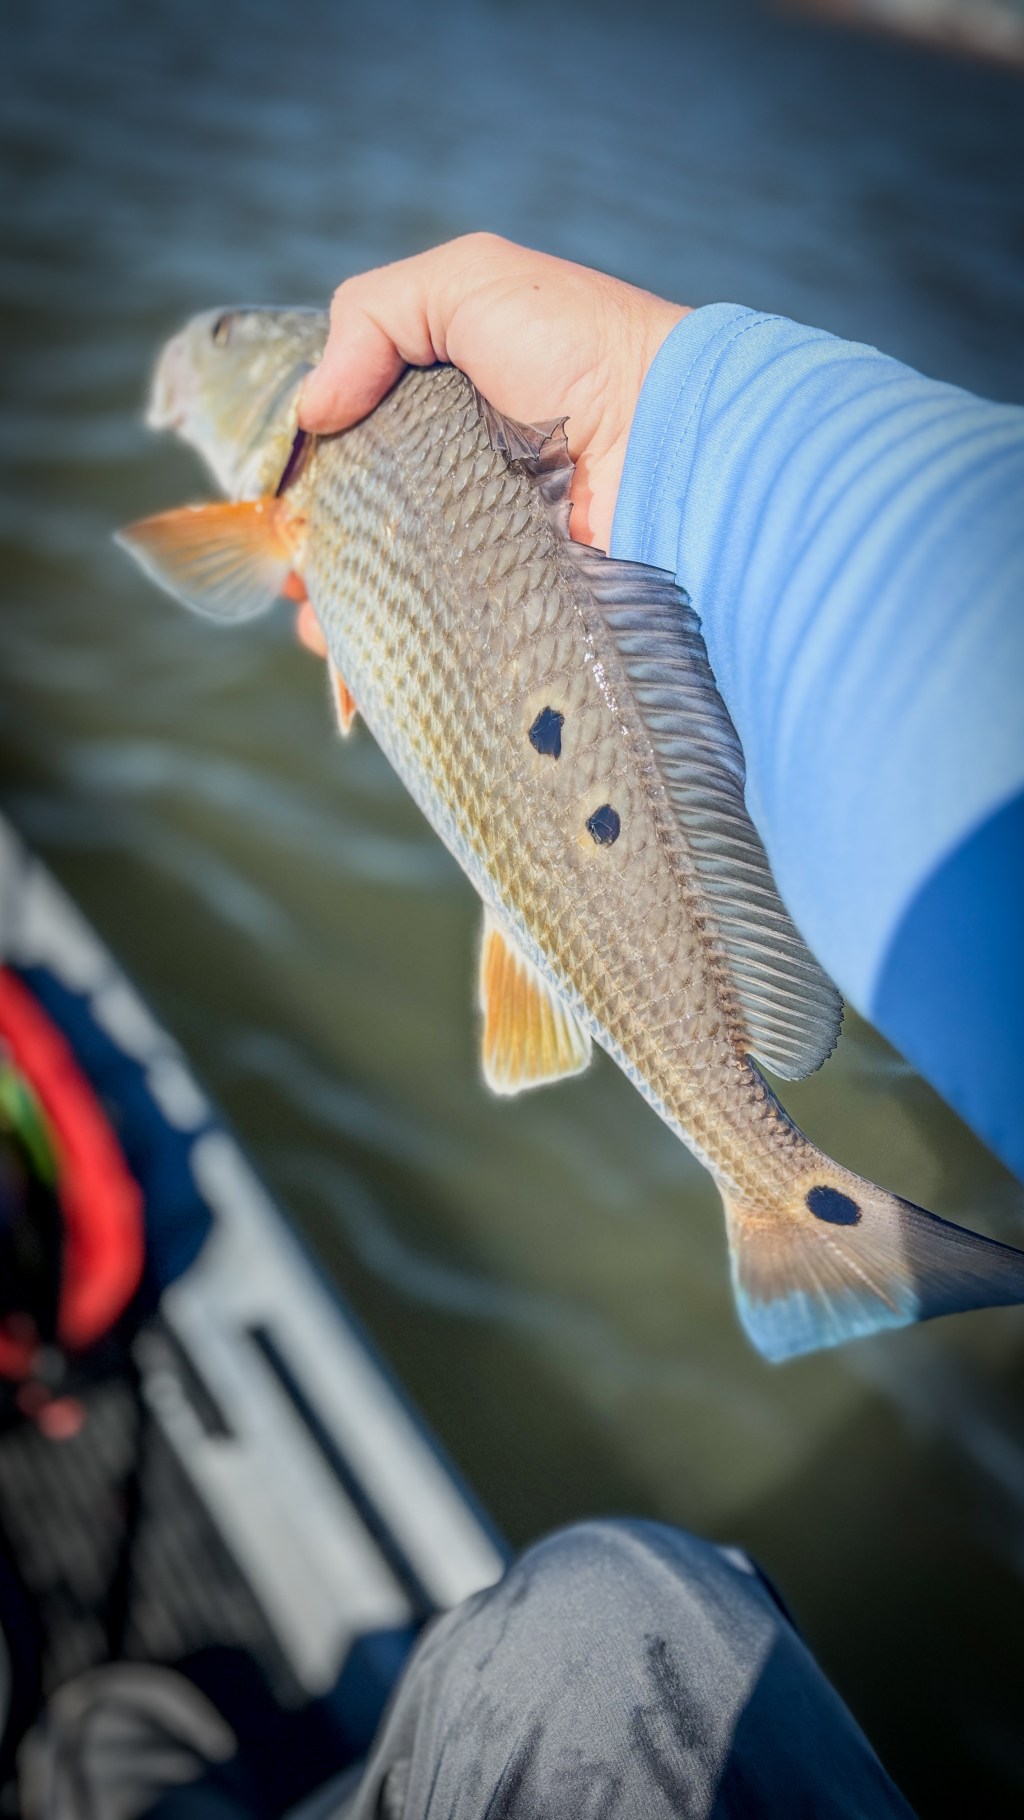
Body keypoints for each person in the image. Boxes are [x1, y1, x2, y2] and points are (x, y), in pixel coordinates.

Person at [24, 235, 1022, 1816]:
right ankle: (786, 1205)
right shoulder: (477, 421)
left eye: (219, 337)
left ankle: (785, 1203)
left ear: (284, 395)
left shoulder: (303, 456)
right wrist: (690, 419)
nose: (193, 352)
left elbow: (195, 559)